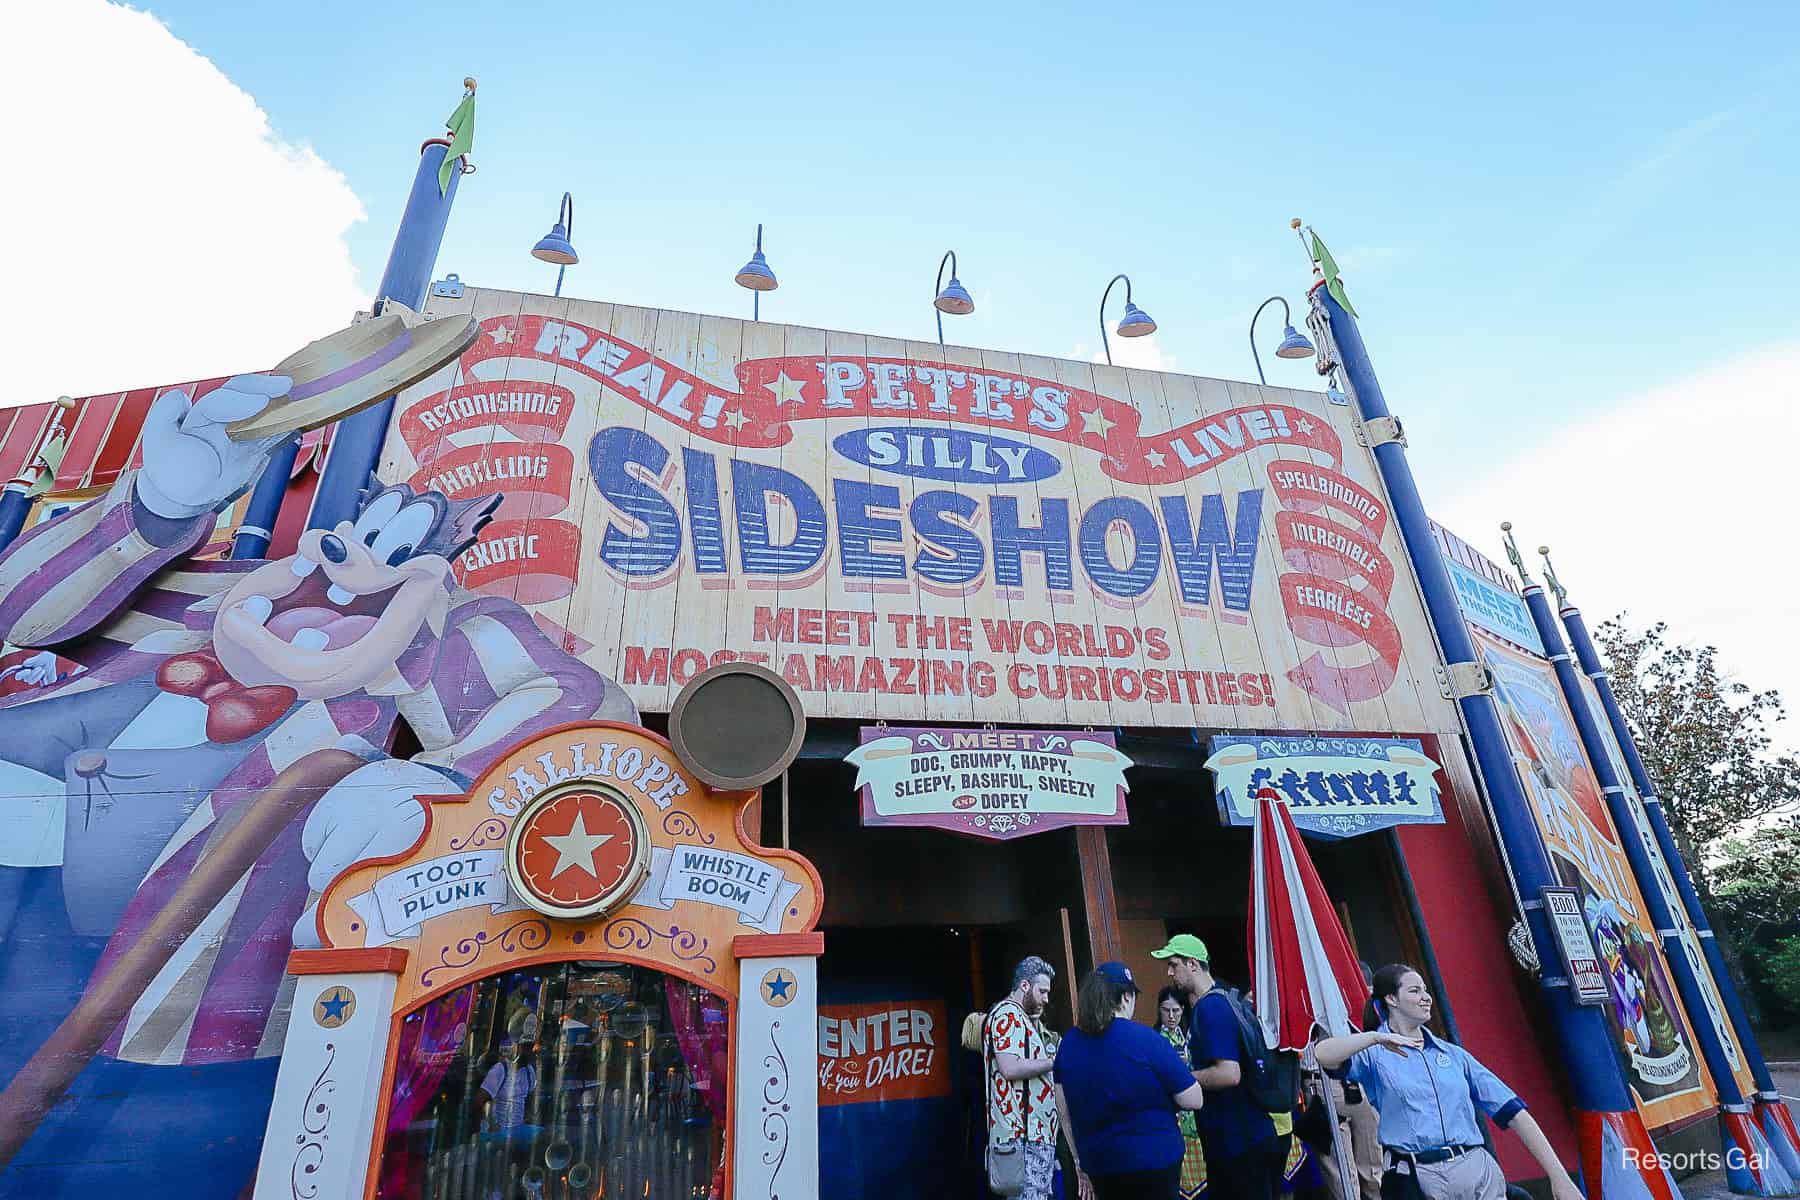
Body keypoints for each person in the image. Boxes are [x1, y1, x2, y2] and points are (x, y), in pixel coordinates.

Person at [1313, 964, 1583, 1200]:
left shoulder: (1453, 1055)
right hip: (1419, 1176)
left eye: (1426, 990)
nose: (1426, 998)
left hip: (1477, 1172)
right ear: (1391, 999)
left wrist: (1558, 1176)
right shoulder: (1374, 1055)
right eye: (1414, 991)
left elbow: (1514, 1112)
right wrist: (1375, 1038)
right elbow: (1323, 1054)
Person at [1053, 963, 1205, 1200]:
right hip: (1155, 1162)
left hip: (1101, 1165)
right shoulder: (1147, 1039)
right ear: (1126, 997)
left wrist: (1078, 1162)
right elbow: (1193, 1098)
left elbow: (1064, 1113)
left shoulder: (1069, 1044)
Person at [1155, 934, 1290, 1200]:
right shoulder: (1219, 1001)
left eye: (1174, 964)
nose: (1169, 973)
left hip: (1239, 1142)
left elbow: (1229, 1073)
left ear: (1192, 964)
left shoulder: (1211, 1007)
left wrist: (1182, 1078)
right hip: (1241, 1140)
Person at [985, 955, 1066, 1200]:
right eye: (1042, 991)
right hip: (1023, 1138)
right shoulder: (1008, 1014)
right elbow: (1009, 1067)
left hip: (1030, 1136)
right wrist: (1054, 1063)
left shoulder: (1019, 1017)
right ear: (1024, 986)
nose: (1046, 998)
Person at [1155, 987, 1208, 1199]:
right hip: (1173, 1120)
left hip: (1196, 1119)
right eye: (1166, 1010)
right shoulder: (1155, 1041)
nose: (1171, 1016)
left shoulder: (1190, 1037)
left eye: (1175, 1011)